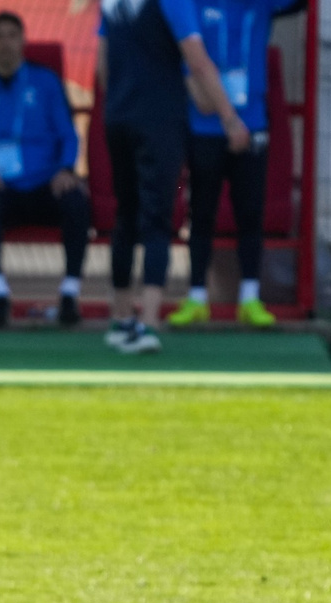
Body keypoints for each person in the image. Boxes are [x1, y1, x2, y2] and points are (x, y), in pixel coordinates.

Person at [96, 0, 244, 354]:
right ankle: (148, 321)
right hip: (160, 121)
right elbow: (197, 60)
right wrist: (229, 117)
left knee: (125, 215)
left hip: (118, 117)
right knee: (158, 218)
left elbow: (102, 65)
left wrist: (122, 98)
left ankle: (121, 317)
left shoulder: (110, 4)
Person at [170, 0, 293, 329]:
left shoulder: (262, 5)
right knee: (201, 213)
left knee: (251, 213)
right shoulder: (194, 6)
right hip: (204, 126)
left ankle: (250, 298)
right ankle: (197, 297)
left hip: (252, 124)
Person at [0, 10, 88, 329]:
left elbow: (68, 134)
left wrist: (66, 169)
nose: (5, 43)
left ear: (23, 41)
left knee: (77, 202)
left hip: (45, 183)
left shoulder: (46, 81)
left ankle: (69, 294)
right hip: (1, 186)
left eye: (12, 36)